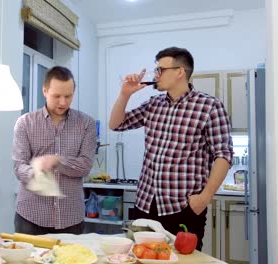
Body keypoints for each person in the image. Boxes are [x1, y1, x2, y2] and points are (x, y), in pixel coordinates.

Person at [109, 47, 233, 251]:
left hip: (182, 206)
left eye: (160, 70)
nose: (156, 75)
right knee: (143, 257)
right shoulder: (153, 104)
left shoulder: (209, 106)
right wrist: (125, 94)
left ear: (180, 71)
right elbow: (116, 124)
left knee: (182, 260)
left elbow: (223, 155)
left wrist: (204, 198)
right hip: (146, 203)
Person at [12, 66, 97, 235]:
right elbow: (19, 166)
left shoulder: (86, 124)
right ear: (45, 91)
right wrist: (36, 173)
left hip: (71, 218)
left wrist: (58, 161)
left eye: (68, 96)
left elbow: (85, 165)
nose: (63, 102)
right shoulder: (25, 123)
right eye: (57, 96)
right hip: (31, 216)